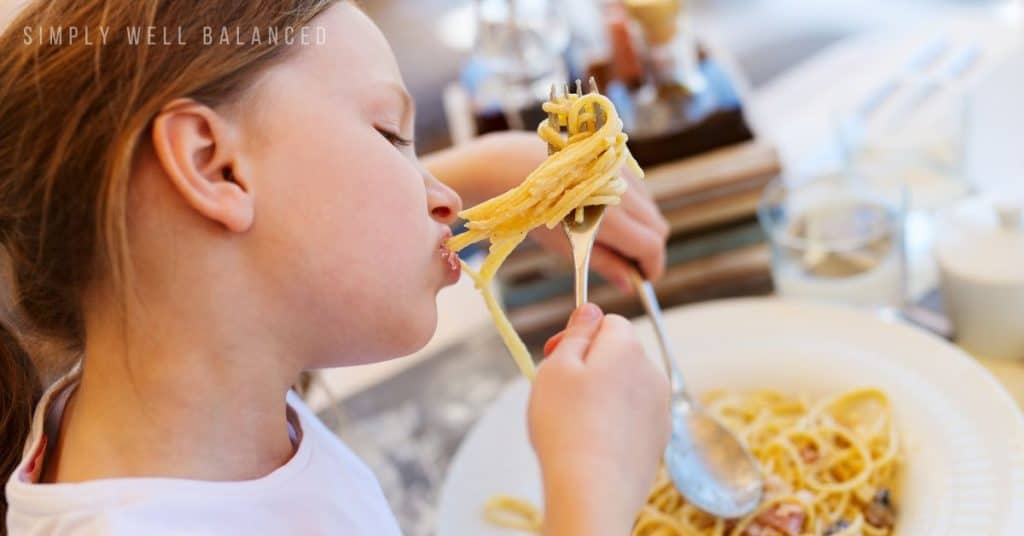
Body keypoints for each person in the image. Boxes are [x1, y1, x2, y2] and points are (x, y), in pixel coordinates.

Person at [0, 1, 671, 534]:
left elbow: (286, 231)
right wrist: (591, 495)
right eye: (387, 133)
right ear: (212, 164)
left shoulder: (170, 377)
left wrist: (508, 182)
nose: (443, 198)